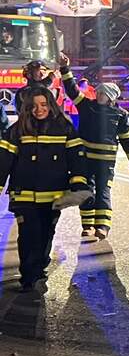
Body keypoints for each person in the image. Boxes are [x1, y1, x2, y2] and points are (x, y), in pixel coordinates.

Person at [0, 90, 89, 293]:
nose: (38, 109)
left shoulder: (64, 127)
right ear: (27, 108)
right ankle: (29, 276)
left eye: (43, 104)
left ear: (50, 104)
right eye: (33, 106)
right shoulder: (17, 130)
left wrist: (79, 183)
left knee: (46, 234)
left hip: (53, 196)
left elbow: (76, 157)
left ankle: (39, 268)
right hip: (23, 195)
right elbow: (3, 160)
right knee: (28, 234)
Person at [58, 55, 129, 241]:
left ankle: (102, 226)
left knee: (103, 191)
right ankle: (87, 226)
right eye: (99, 92)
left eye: (104, 94)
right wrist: (65, 69)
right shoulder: (86, 106)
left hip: (106, 162)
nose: (100, 95)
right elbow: (72, 90)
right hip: (85, 158)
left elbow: (126, 140)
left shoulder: (120, 115)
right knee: (85, 191)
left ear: (111, 98)